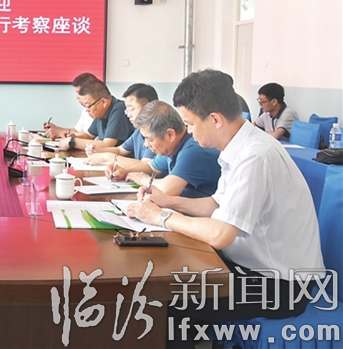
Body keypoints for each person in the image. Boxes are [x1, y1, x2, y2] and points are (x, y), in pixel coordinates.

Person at [125, 69, 324, 348]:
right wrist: (169, 201)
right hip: (251, 267)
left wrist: (162, 216)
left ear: (215, 119)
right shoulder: (238, 147)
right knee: (173, 277)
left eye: (190, 123)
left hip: (282, 286)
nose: (188, 131)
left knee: (170, 301)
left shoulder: (255, 155)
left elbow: (221, 234)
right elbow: (217, 204)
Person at [107, 100, 221, 199]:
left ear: (170, 135)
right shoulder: (173, 146)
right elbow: (151, 167)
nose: (146, 144)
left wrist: (142, 179)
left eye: (149, 139)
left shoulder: (193, 149)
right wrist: (125, 171)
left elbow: (167, 190)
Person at [84, 83, 158, 167]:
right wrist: (98, 151)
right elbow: (120, 150)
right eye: (127, 110)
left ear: (148, 107)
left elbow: (145, 165)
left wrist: (107, 157)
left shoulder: (157, 131)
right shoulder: (138, 131)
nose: (128, 114)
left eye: (131, 109)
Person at [57, 79, 133, 152]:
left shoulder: (119, 110)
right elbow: (89, 135)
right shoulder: (101, 112)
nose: (87, 110)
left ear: (103, 102)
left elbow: (107, 144)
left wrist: (72, 142)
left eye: (88, 106)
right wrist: (74, 137)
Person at [43, 73, 98, 139]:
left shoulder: (98, 110)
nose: (77, 97)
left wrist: (59, 132)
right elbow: (77, 131)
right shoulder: (86, 109)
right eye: (76, 92)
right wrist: (57, 129)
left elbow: (89, 136)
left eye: (79, 93)